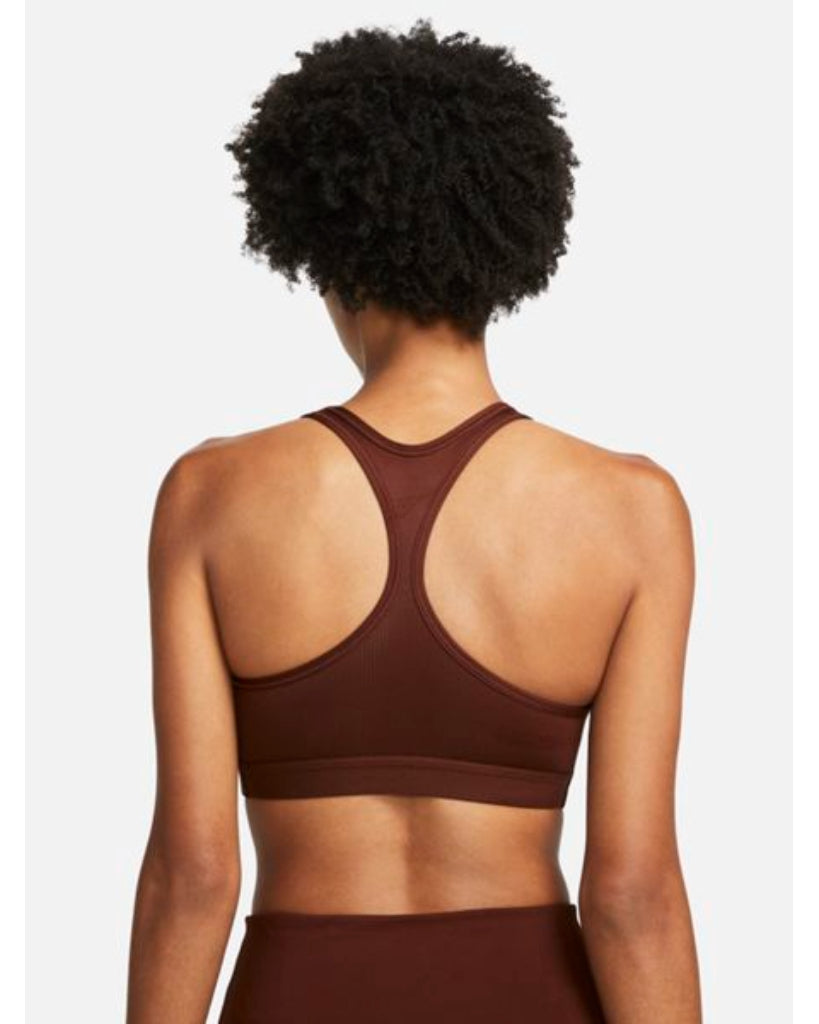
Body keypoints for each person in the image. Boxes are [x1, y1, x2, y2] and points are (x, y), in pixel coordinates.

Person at [126, 18, 701, 1024]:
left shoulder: (210, 494)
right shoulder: (631, 511)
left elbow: (194, 873)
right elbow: (631, 894)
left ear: (326, 249)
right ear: (504, 245)